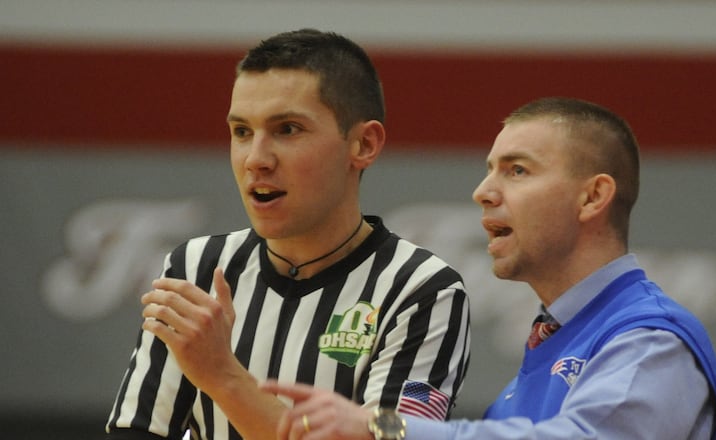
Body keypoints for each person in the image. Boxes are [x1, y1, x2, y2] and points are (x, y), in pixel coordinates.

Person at [262, 97, 716, 440]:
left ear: (592, 197)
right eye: (490, 169)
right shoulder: (551, 352)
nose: (483, 191)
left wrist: (384, 427)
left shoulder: (651, 341)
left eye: (517, 170)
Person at [105, 29, 471, 440]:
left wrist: (223, 375)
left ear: (364, 144)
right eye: (242, 131)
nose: (256, 159)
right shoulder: (195, 269)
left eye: (287, 129)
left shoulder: (422, 291)